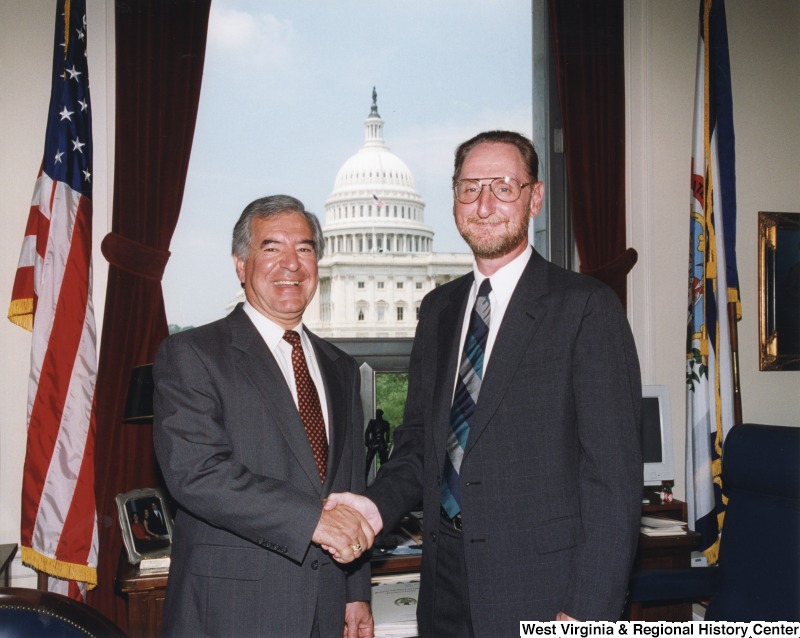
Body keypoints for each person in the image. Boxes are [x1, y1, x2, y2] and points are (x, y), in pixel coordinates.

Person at [326, 131, 643, 635]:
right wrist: (371, 506)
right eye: (470, 188)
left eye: (504, 187)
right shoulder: (438, 311)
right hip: (444, 581)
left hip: (544, 588)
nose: (485, 204)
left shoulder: (585, 308)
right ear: (454, 199)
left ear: (535, 197)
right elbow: (416, 450)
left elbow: (613, 481)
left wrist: (587, 614)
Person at [153, 195, 375, 638]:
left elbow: (348, 486)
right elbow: (196, 474)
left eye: (305, 249)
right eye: (272, 248)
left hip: (326, 606)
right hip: (232, 609)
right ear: (241, 264)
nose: (291, 264)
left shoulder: (342, 368)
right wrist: (313, 520)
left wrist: (356, 591)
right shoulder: (192, 354)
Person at [364, 408, 391, 482]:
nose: (377, 415)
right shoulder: (372, 422)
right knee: (367, 462)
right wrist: (369, 443)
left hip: (381, 444)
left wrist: (387, 442)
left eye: (378, 414)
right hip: (373, 443)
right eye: (376, 414)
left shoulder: (385, 423)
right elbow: (367, 433)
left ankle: (384, 481)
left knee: (384, 463)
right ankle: (364, 481)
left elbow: (388, 434)